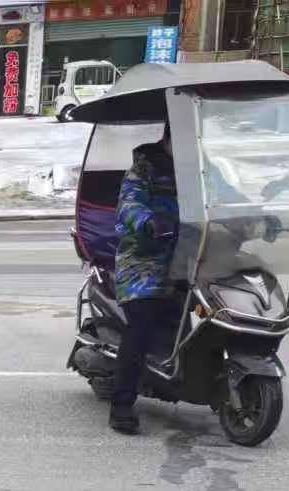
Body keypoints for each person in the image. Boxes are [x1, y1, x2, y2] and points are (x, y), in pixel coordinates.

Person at [110, 129, 180, 435]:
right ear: (169, 138)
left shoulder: (203, 169)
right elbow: (128, 205)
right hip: (142, 259)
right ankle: (121, 405)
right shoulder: (144, 168)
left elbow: (227, 197)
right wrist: (148, 222)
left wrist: (259, 218)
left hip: (189, 254)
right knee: (142, 324)